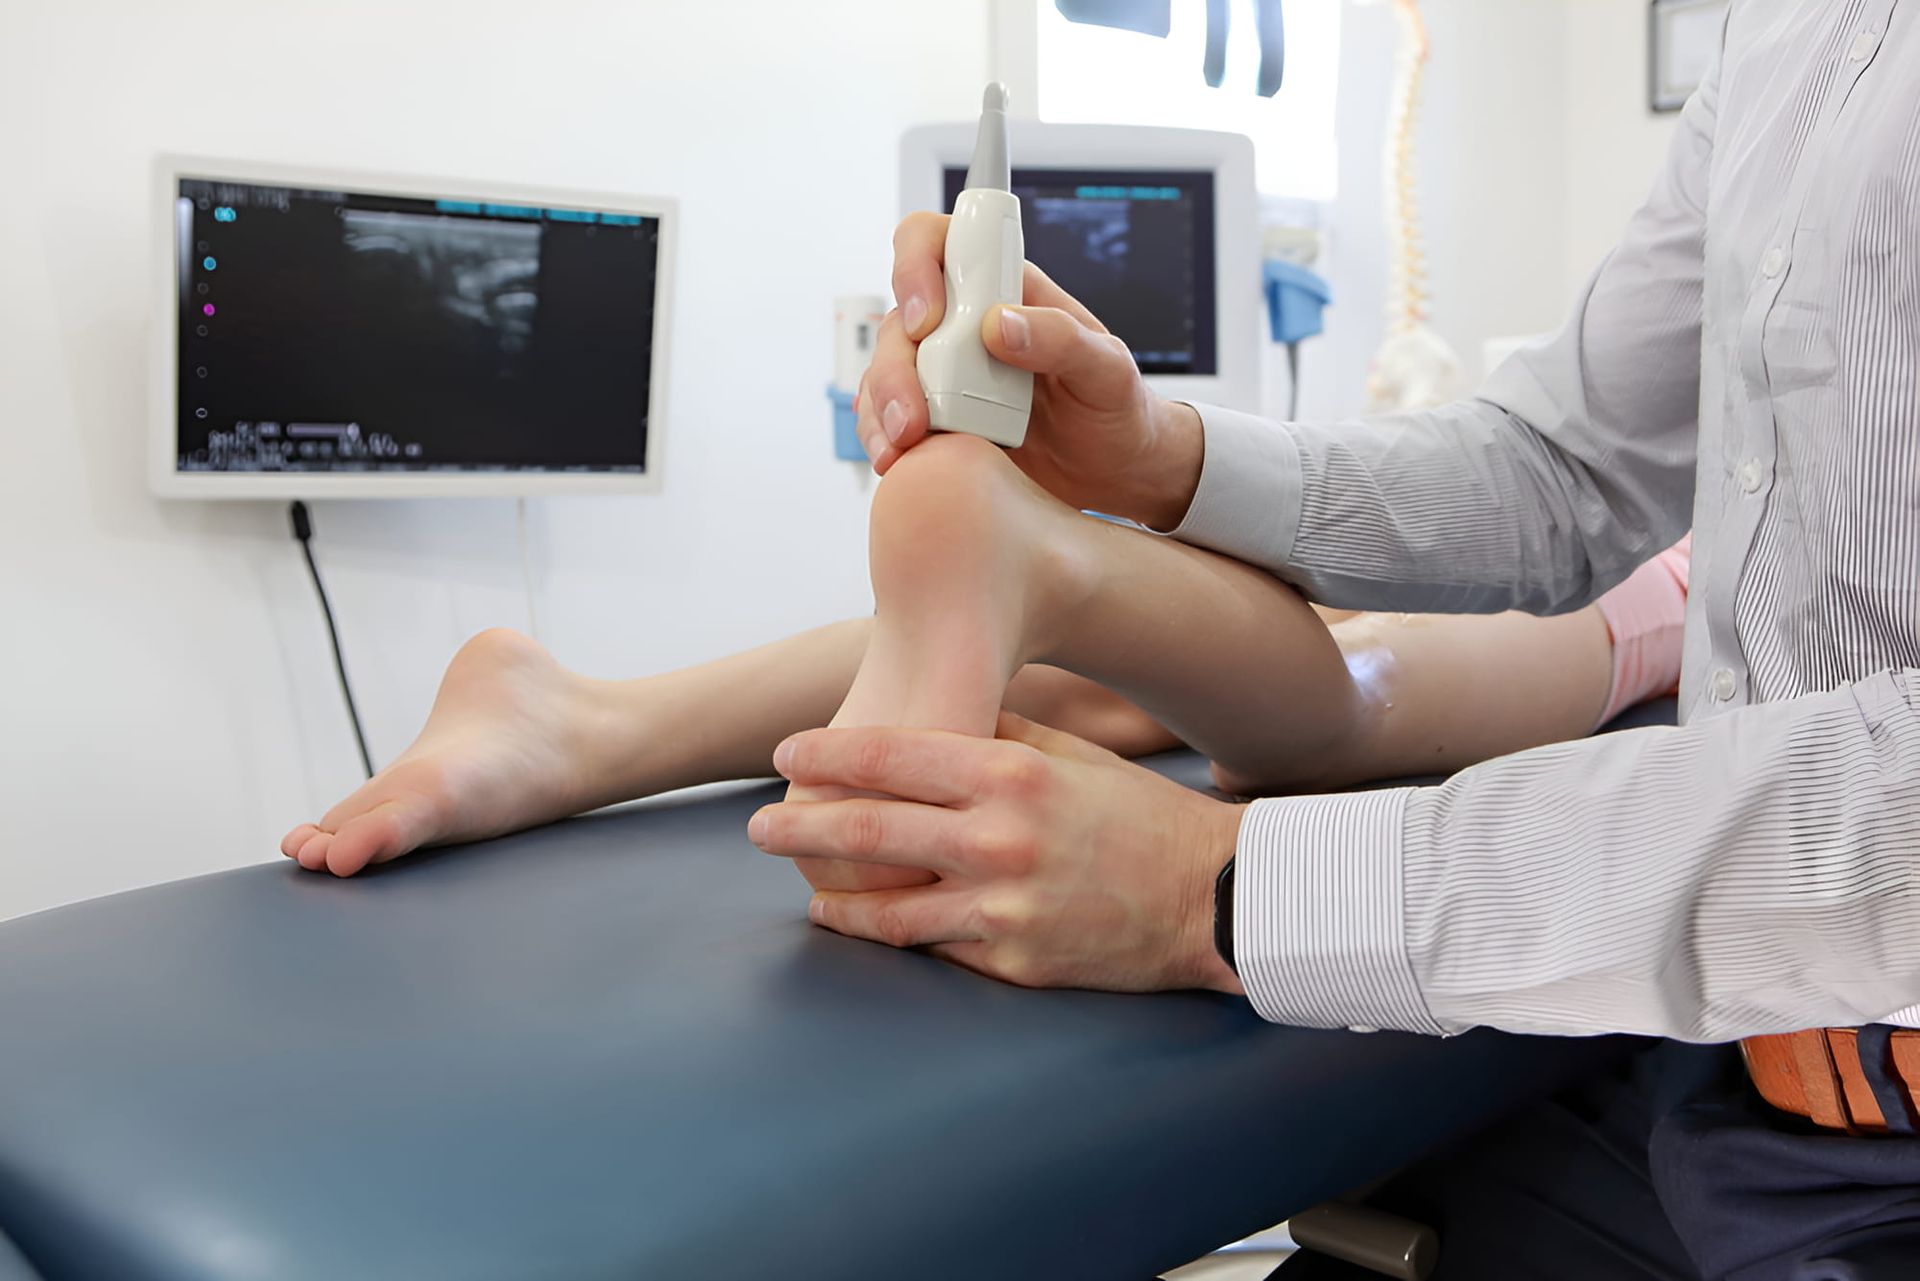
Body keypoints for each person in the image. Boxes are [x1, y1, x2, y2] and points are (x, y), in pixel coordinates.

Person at [734, 4, 1920, 1276]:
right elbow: (1564, 463)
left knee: (1345, 696)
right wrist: (1157, 458)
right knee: (1302, 698)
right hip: (1732, 1091)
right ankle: (599, 719)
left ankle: (604, 724)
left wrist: (1221, 887)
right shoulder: (1789, 30)